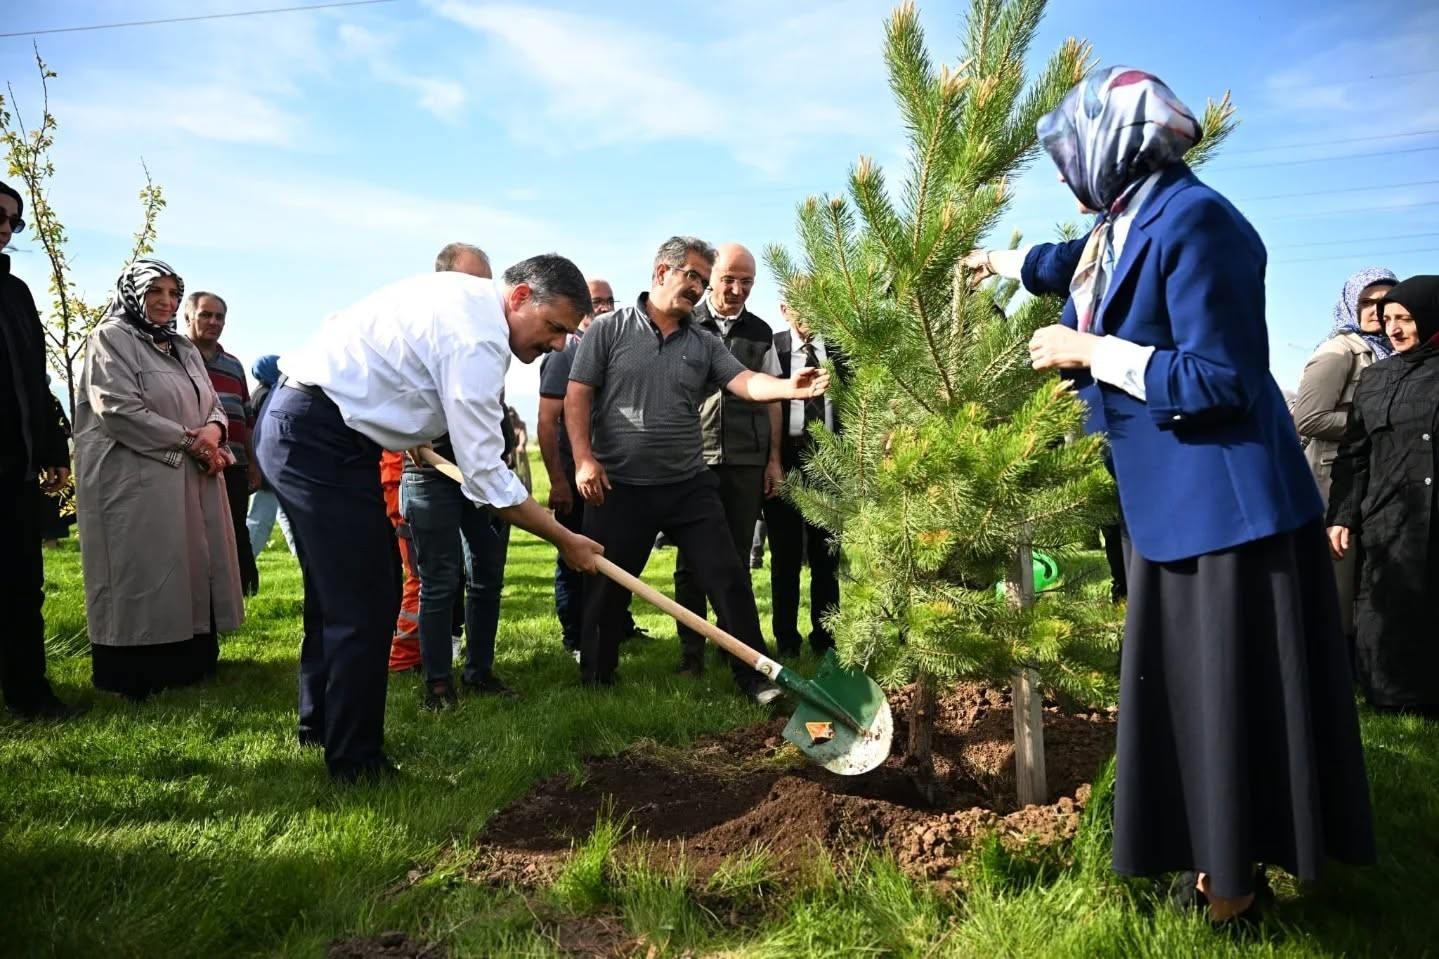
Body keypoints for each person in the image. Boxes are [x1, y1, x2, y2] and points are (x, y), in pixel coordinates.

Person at [964, 67, 1374, 922]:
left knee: (1224, 703)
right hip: (1175, 510)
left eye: (1068, 156)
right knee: (1194, 699)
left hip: (1226, 518)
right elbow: (1070, 264)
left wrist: (1090, 355)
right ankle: (1213, 863)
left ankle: (1231, 892)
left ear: (1110, 145)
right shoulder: (1131, 218)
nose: (1064, 176)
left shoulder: (1200, 222)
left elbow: (1220, 376)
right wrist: (997, 261)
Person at [256, 255, 603, 782]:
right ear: (518, 297)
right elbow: (487, 473)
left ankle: (321, 727)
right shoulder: (479, 337)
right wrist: (564, 539)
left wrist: (403, 424)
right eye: (553, 327)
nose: (556, 344)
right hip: (317, 438)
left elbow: (382, 353)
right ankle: (356, 763)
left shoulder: (460, 299)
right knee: (365, 596)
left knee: (338, 595)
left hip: (312, 427)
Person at [566, 236, 828, 702]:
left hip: (688, 484)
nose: (697, 287)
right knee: (606, 586)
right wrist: (584, 459)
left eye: (702, 280)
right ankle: (597, 679)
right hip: (621, 486)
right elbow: (578, 393)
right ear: (660, 271)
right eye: (691, 275)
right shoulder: (608, 330)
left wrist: (790, 387)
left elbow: (745, 382)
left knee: (728, 576)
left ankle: (756, 677)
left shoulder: (702, 343)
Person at [74, 259, 245, 700]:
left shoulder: (181, 348)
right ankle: (136, 672)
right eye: (156, 292)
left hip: (188, 474)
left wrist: (213, 432)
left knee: (188, 563)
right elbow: (118, 408)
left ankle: (191, 660)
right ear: (133, 293)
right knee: (143, 567)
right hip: (134, 478)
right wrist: (190, 442)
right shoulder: (110, 338)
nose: (166, 302)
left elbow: (213, 403)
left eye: (172, 293)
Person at [401, 243, 518, 708]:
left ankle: (479, 671)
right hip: (433, 472)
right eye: (472, 282)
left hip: (484, 473)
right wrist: (409, 433)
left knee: (487, 575)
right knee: (441, 579)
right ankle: (437, 684)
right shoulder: (422, 327)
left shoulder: (490, 335)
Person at [1327, 275, 1439, 716]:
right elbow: (1354, 454)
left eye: (1405, 318)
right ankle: (1391, 695)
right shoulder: (1376, 378)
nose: (1393, 328)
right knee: (1390, 603)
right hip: (1389, 513)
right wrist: (1341, 515)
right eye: (1387, 318)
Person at [672, 243, 784, 675]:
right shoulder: (685, 324)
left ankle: (734, 646)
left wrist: (773, 460)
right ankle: (690, 652)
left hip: (745, 459)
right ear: (710, 279)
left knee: (736, 558)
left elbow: (773, 399)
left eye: (747, 282)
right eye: (728, 280)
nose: (737, 289)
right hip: (692, 458)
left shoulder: (760, 333)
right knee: (689, 561)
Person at [0, 179, 82, 719]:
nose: (6, 227)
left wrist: (54, 449)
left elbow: (36, 379)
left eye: (14, 220)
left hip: (16, 471)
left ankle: (30, 693)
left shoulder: (17, 293)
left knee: (22, 589)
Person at [536, 277, 643, 660]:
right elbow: (547, 422)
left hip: (610, 473)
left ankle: (616, 628)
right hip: (573, 472)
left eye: (609, 301)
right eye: (595, 302)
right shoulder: (565, 354)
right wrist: (558, 480)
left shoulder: (619, 350)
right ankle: (575, 638)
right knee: (573, 557)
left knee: (612, 553)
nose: (603, 308)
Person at [1293, 267, 1398, 641]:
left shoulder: (1395, 349)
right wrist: (1381, 420)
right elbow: (1310, 418)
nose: (1376, 310)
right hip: (1332, 476)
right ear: (1349, 305)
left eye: (1385, 301)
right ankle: (1333, 659)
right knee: (1338, 572)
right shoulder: (1338, 351)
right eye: (1366, 302)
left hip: (1378, 473)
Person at [764, 301, 843, 656]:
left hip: (829, 462)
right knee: (784, 556)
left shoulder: (841, 352)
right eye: (800, 304)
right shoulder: (774, 347)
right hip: (786, 459)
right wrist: (773, 461)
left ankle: (826, 639)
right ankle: (786, 642)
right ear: (784, 309)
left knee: (826, 555)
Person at [184, 291, 261, 595]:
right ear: (188, 317)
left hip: (235, 465)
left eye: (219, 317)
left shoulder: (233, 364)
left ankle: (239, 592)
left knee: (236, 529)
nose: (213, 322)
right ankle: (201, 595)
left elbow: (247, 418)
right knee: (197, 533)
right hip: (193, 464)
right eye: (205, 314)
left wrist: (254, 463)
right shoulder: (173, 357)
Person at [244, 354, 298, 555]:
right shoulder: (269, 394)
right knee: (260, 519)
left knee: (287, 517)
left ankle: (302, 555)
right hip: (268, 467)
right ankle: (246, 562)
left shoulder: (260, 392)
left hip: (267, 466)